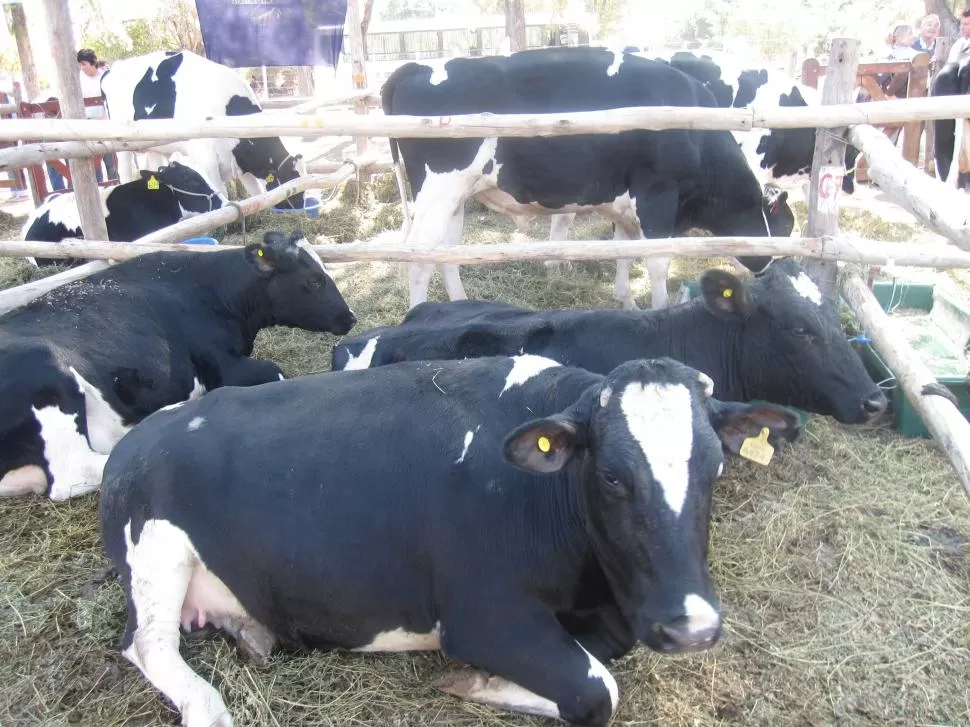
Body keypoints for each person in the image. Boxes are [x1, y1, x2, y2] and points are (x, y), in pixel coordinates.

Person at [76, 48, 117, 181]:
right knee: (94, 164)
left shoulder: (107, 77)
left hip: (106, 124)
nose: (82, 68)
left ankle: (114, 185)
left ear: (93, 62)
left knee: (111, 162)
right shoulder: (79, 80)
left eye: (84, 64)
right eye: (80, 65)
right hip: (88, 126)